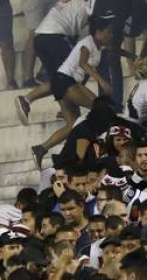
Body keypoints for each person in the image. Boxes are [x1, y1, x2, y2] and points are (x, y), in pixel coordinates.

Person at [28, 20, 116, 170]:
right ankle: (105, 143)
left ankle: (41, 148)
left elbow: (83, 75)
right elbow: (82, 63)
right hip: (65, 81)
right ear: (98, 32)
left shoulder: (98, 50)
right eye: (108, 32)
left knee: (73, 125)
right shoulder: (87, 43)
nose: (110, 35)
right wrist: (101, 81)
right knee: (101, 108)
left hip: (66, 84)